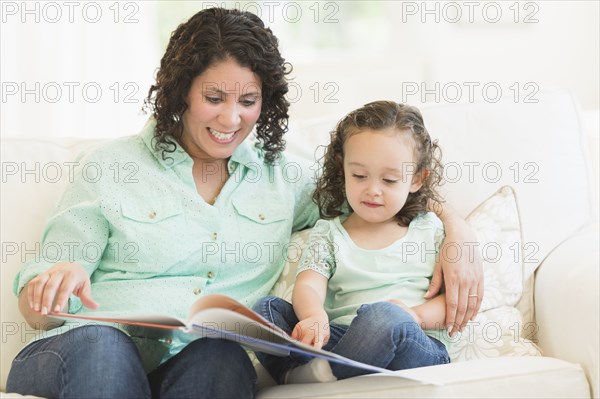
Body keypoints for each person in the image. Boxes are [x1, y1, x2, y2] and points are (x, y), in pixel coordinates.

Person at [7, 8, 482, 399]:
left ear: (266, 102)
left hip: (194, 358)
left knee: (223, 357)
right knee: (105, 351)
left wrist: (458, 233)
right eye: (213, 97)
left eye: (248, 101)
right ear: (181, 92)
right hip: (81, 352)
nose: (231, 118)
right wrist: (49, 287)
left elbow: (379, 193)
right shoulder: (111, 166)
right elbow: (40, 308)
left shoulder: (286, 179)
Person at [254, 101, 455, 384]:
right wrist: (313, 316)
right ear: (342, 169)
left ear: (417, 179)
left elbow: (452, 301)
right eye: (359, 176)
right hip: (341, 339)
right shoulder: (329, 233)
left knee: (386, 316)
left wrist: (415, 315)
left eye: (389, 180)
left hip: (414, 345)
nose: (372, 190)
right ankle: (296, 375)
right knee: (265, 310)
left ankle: (327, 378)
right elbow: (310, 283)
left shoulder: (430, 229)